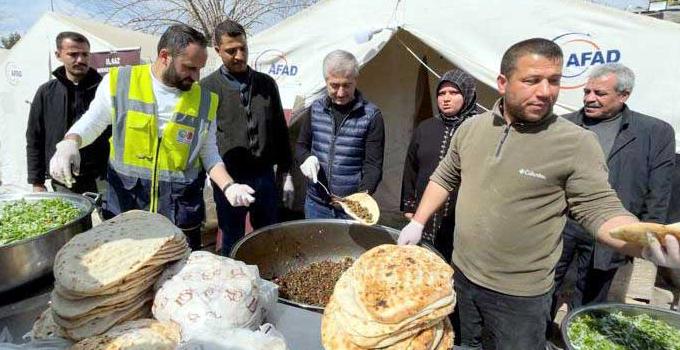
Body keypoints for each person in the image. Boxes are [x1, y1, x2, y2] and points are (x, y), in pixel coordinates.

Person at [396, 38, 680, 349]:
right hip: (462, 275)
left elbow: (599, 208)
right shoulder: (472, 128)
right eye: (532, 80)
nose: (545, 92)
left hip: (520, 296)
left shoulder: (575, 142)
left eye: (554, 81)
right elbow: (445, 175)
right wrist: (418, 222)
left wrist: (644, 243)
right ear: (503, 83)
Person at [48, 25, 255, 251]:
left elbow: (209, 153)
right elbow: (94, 121)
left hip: (179, 213)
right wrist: (70, 142)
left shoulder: (206, 100)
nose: (196, 77)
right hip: (128, 208)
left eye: (200, 69)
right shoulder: (120, 82)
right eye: (189, 67)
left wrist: (229, 186)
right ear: (165, 56)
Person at [552, 63, 675, 312]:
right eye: (587, 92)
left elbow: (659, 189)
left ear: (624, 95)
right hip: (562, 224)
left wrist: (648, 236)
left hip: (610, 228)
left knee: (592, 300)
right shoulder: (562, 126)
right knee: (545, 288)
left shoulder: (654, 132)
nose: (590, 98)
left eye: (599, 93)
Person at [200, 20, 294, 255]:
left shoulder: (266, 84)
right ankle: (233, 282)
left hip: (264, 176)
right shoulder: (207, 88)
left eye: (243, 48)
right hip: (229, 178)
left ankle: (268, 278)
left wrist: (286, 172)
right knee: (232, 236)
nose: (239, 56)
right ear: (217, 50)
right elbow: (202, 139)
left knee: (268, 235)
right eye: (231, 51)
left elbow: (280, 130)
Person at [296, 50, 385, 219]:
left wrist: (360, 199)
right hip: (316, 204)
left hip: (350, 207)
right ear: (326, 81)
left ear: (355, 80)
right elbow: (301, 146)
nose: (341, 93)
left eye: (347, 85)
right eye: (335, 85)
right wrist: (306, 158)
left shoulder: (371, 116)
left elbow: (373, 165)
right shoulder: (315, 109)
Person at [400, 69, 477, 262]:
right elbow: (411, 167)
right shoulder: (426, 128)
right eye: (442, 93)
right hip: (424, 211)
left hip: (459, 215)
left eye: (453, 93)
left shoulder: (479, 130)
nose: (446, 99)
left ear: (467, 94)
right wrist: (409, 204)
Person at [26, 31, 109, 194]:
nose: (81, 60)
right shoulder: (46, 92)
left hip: (102, 176)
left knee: (114, 220)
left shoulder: (105, 89)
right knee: (72, 220)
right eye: (73, 54)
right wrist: (37, 182)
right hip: (63, 177)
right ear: (58, 55)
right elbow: (35, 137)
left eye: (85, 54)